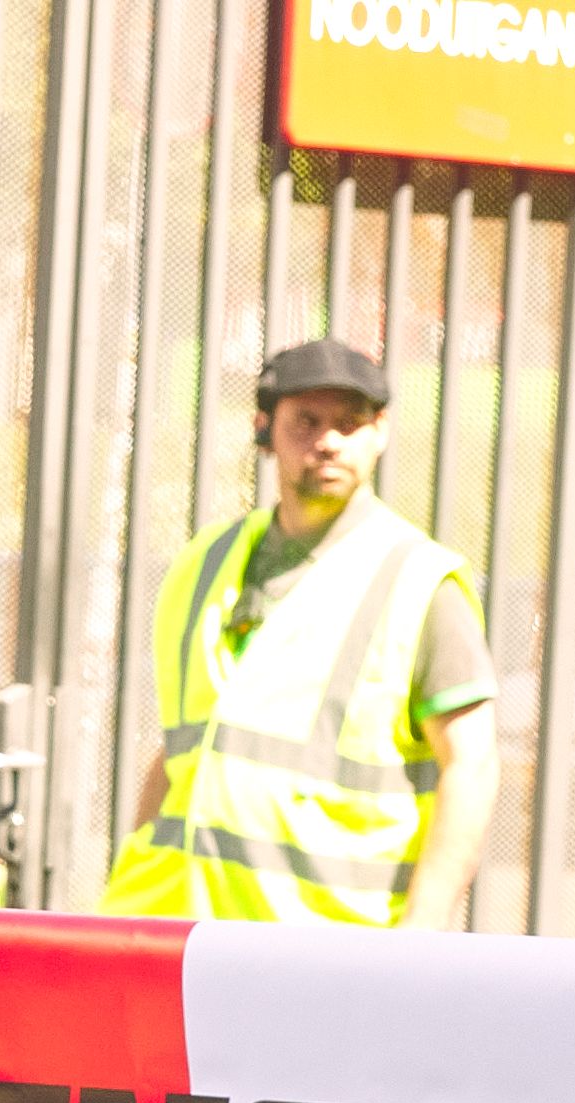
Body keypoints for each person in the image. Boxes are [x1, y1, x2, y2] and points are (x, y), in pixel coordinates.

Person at [102, 334, 500, 928]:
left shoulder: (417, 580)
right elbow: (186, 748)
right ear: (264, 428)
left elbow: (470, 765)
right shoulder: (204, 561)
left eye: (350, 423)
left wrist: (421, 935)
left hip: (318, 948)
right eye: (306, 421)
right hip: (173, 932)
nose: (329, 441)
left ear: (381, 432)